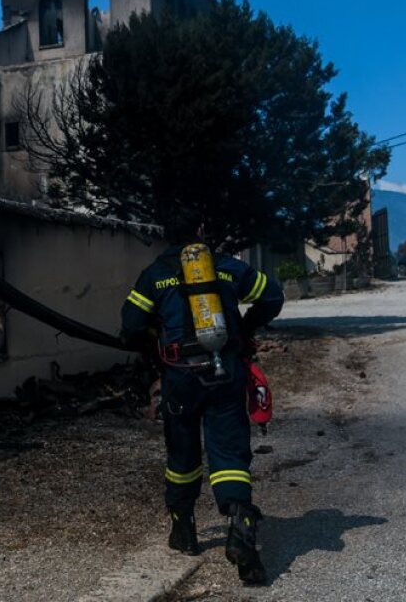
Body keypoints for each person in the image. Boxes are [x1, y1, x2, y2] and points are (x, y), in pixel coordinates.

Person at [120, 217, 284, 585]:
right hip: (225, 369)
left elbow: (131, 325)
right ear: (200, 230)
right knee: (229, 451)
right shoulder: (226, 266)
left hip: (180, 375)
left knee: (182, 454)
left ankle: (184, 530)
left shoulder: (155, 274)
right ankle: (240, 519)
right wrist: (244, 327)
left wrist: (150, 342)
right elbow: (272, 295)